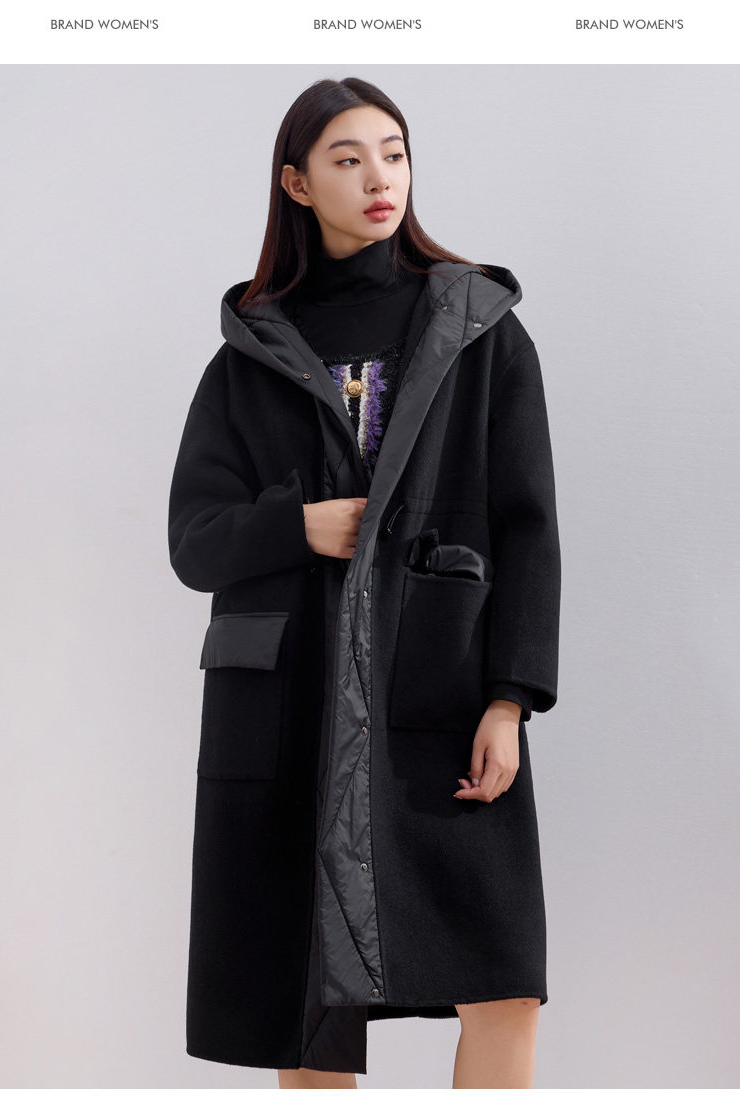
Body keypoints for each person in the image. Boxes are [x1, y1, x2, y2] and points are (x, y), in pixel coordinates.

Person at [167, 76, 561, 1089]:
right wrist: (296, 526)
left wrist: (510, 700)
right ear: (297, 183)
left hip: (440, 697)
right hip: (288, 711)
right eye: (348, 159)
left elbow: (528, 530)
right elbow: (193, 543)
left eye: (394, 152)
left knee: (502, 983)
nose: (380, 177)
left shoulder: (479, 331)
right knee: (308, 1008)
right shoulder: (251, 354)